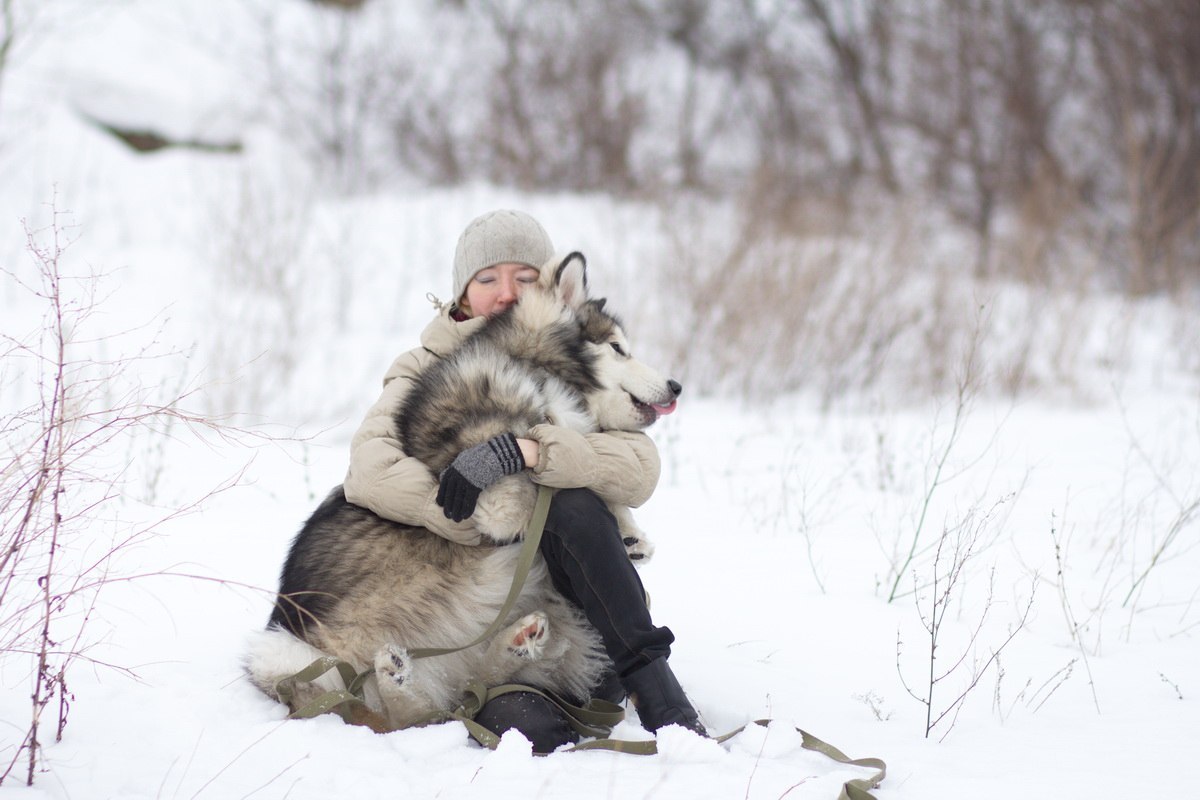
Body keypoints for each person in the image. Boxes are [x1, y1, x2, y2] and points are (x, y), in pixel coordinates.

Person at [342, 209, 703, 752]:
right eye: (487, 279)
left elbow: (637, 467)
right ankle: (498, 689)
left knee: (571, 504)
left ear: (550, 292)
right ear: (462, 295)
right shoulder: (423, 365)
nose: (506, 292)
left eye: (525, 278)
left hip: (578, 595)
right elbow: (370, 470)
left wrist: (527, 453)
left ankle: (658, 693)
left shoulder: (572, 354)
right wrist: (463, 515)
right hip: (481, 591)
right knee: (528, 730)